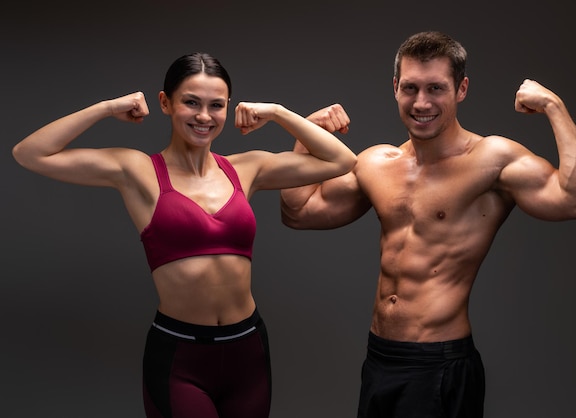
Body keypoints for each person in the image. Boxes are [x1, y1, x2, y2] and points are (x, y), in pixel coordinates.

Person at [280, 31, 576, 418]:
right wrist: (306, 135)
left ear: (461, 89)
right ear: (395, 88)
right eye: (411, 88)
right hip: (380, 359)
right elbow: (297, 212)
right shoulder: (377, 162)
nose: (422, 102)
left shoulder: (492, 158)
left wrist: (555, 106)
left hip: (440, 364)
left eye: (436, 88)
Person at [12, 52, 356, 418]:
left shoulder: (246, 168)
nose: (204, 117)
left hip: (248, 349)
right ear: (166, 103)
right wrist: (107, 107)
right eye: (191, 103)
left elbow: (342, 160)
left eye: (216, 106)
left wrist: (277, 113)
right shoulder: (137, 171)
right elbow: (30, 153)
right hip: (181, 355)